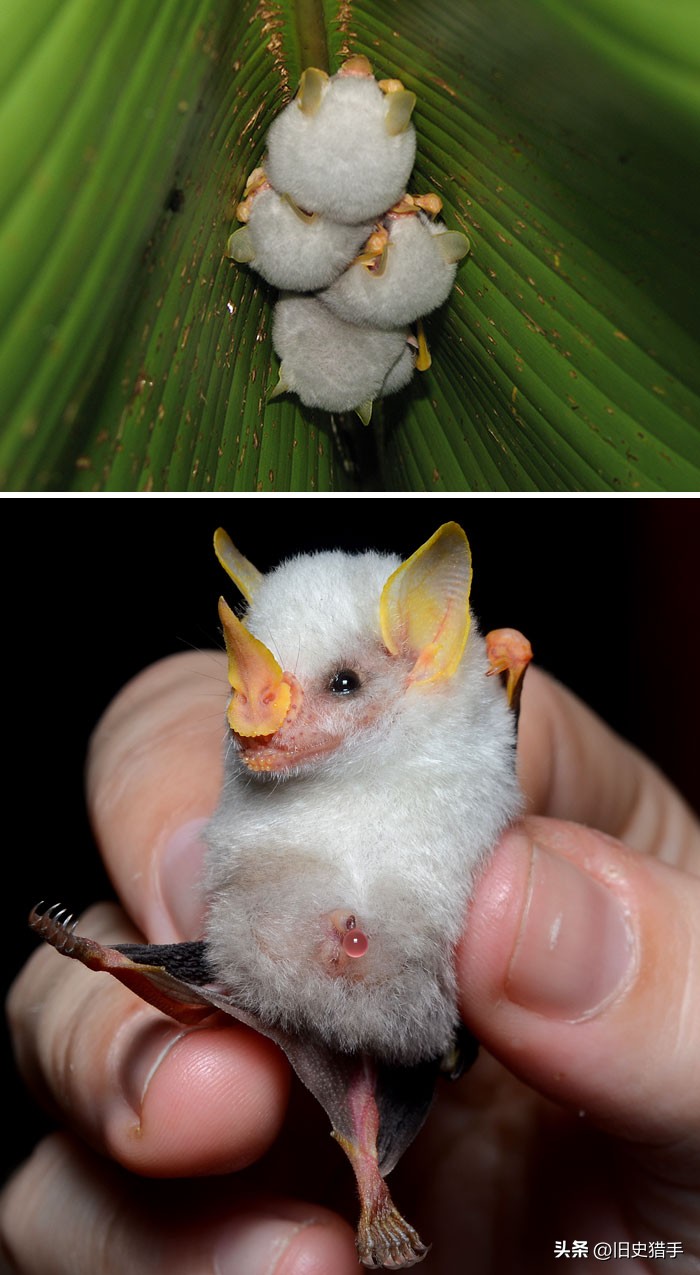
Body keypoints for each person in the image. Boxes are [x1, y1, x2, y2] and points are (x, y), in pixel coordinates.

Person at [3, 651, 699, 1274]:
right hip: (296, 966)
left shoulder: (442, 853)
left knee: (349, 1076)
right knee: (219, 982)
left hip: (392, 987)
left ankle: (371, 1194)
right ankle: (102, 956)